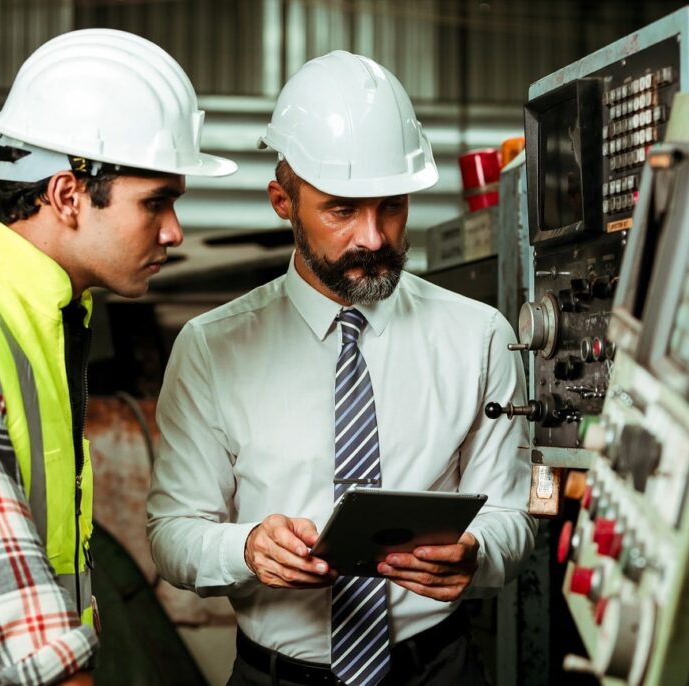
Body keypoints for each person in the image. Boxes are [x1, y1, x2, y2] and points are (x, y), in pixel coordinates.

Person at [148, 50, 535, 686]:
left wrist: (478, 552)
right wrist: (245, 549)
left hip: (437, 667)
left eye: (392, 207)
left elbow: (512, 513)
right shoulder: (211, 348)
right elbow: (172, 534)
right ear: (283, 201)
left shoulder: (479, 336)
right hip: (278, 675)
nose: (374, 238)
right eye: (341, 211)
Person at [0, 28, 236, 686]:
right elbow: (11, 613)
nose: (175, 232)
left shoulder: (50, 304)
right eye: (157, 203)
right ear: (67, 195)